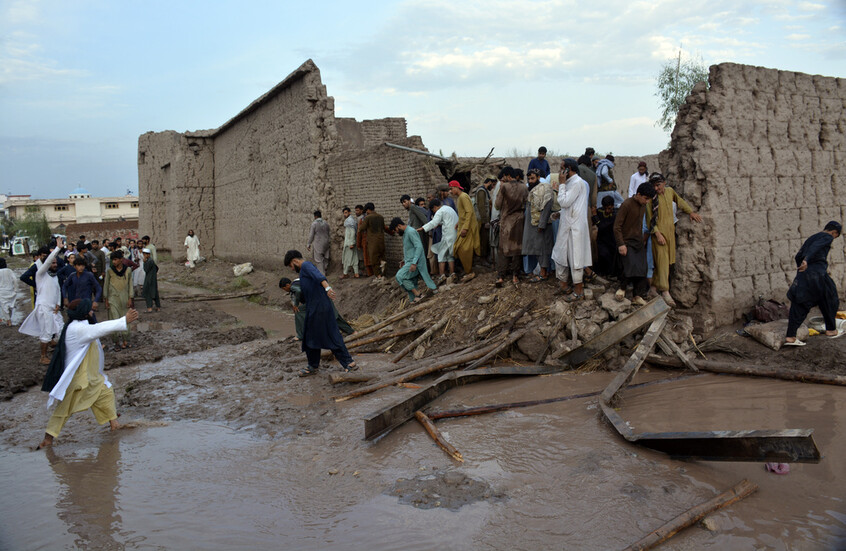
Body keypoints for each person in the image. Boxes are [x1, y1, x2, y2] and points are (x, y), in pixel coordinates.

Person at [36, 298, 139, 450]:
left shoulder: (79, 325)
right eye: (90, 309)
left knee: (106, 393)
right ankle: (48, 439)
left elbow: (95, 331)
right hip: (78, 378)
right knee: (64, 408)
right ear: (84, 313)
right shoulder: (77, 329)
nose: (93, 310)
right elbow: (99, 329)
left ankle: (114, 424)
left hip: (91, 376)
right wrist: (124, 320)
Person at [283, 250, 356, 376]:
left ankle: (349, 363)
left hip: (320, 308)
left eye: (290, 265)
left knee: (331, 335)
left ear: (295, 261)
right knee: (309, 337)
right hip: (314, 308)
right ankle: (313, 366)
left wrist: (327, 287)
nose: (291, 268)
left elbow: (318, 276)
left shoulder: (306, 266)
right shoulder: (303, 272)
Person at [646, 172, 702, 306]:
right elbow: (650, 220)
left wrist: (690, 212)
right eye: (654, 186)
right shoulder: (650, 199)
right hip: (659, 236)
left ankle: (653, 289)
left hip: (670, 234)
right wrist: (657, 234)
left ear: (664, 183)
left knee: (665, 263)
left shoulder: (670, 191)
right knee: (662, 262)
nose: (656, 189)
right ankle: (665, 291)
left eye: (658, 185)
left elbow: (680, 201)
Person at [784, 221, 843, 346]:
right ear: (834, 233)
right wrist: (806, 260)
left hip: (806, 275)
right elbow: (815, 247)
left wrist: (802, 266)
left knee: (804, 302)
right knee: (830, 298)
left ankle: (791, 336)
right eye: (835, 236)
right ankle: (831, 329)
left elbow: (798, 255)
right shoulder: (827, 237)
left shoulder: (812, 237)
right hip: (816, 275)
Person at [19, 237, 65, 364]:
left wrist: (58, 304)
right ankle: (43, 356)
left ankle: (52, 344)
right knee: (46, 332)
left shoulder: (54, 276)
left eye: (56, 263)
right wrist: (57, 249)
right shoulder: (41, 274)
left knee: (60, 329)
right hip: (44, 308)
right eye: (52, 263)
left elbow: (58, 291)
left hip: (53, 308)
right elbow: (47, 261)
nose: (55, 265)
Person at [551, 159, 591, 302]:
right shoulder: (570, 183)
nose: (560, 172)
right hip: (567, 226)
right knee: (559, 254)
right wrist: (560, 214)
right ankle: (564, 286)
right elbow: (569, 206)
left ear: (568, 169)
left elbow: (564, 202)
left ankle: (578, 292)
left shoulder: (577, 183)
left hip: (575, 229)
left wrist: (561, 184)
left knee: (576, 259)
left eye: (562, 168)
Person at [614, 183, 656, 305]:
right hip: (626, 242)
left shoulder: (643, 206)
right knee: (630, 266)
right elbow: (617, 227)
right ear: (638, 195)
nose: (647, 202)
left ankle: (637, 295)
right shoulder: (626, 205)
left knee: (642, 268)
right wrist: (621, 244)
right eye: (646, 198)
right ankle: (622, 288)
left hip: (638, 241)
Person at [279, 277, 354, 340]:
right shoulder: (298, 281)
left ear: (287, 285)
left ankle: (301, 335)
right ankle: (351, 331)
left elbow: (298, 291)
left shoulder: (293, 287)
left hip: (318, 299)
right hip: (321, 297)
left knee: (299, 311)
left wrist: (296, 304)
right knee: (333, 316)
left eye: (284, 288)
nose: (285, 290)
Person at [494, 166, 527, 287]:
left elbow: (497, 205)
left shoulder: (504, 187)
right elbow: (526, 202)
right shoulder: (524, 187)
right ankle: (515, 276)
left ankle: (501, 276)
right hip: (519, 220)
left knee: (503, 249)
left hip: (507, 221)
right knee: (517, 249)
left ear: (508, 176)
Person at [390, 217, 437, 303]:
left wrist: (414, 263)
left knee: (400, 276)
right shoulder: (405, 233)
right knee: (410, 280)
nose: (396, 232)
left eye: (396, 230)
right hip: (410, 261)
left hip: (415, 262)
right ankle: (416, 298)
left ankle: (418, 295)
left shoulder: (411, 231)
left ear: (399, 226)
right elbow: (410, 249)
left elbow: (419, 247)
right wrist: (404, 260)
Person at [522, 168, 555, 282]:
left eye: (533, 178)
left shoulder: (544, 189)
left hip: (541, 226)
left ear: (538, 178)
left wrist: (541, 224)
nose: (530, 181)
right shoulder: (532, 190)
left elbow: (547, 206)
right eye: (529, 179)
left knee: (543, 249)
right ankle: (542, 272)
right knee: (537, 249)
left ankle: (543, 273)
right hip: (533, 225)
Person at [420, 198, 459, 282]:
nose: (434, 212)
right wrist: (439, 224)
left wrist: (422, 228)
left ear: (434, 207)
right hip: (454, 234)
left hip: (447, 235)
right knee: (450, 255)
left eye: (433, 210)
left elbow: (433, 222)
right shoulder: (448, 208)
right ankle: (452, 273)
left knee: (441, 255)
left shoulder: (439, 211)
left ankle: (442, 275)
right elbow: (448, 220)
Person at [449, 180, 481, 277]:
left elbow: (469, 212)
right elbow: (463, 213)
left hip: (468, 227)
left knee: (463, 249)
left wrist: (465, 228)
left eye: (451, 189)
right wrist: (459, 223)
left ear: (456, 187)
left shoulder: (463, 197)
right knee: (460, 248)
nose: (450, 191)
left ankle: (469, 271)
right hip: (463, 225)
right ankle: (468, 269)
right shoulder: (460, 198)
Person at [103, 251, 134, 349]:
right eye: (113, 260)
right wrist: (106, 299)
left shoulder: (128, 270)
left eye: (116, 259)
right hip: (113, 298)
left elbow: (130, 285)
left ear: (121, 259)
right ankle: (116, 342)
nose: (114, 262)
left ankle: (126, 340)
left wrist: (130, 298)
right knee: (114, 319)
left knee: (126, 318)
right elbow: (106, 285)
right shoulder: (109, 271)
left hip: (124, 298)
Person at [62, 256, 103, 321]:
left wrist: (95, 301)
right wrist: (65, 298)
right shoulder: (72, 276)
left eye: (83, 265)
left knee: (91, 322)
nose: (81, 267)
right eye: (79, 265)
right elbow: (64, 286)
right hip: (76, 304)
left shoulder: (89, 275)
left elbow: (99, 288)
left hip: (87, 304)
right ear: (75, 266)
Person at [593, 195, 620, 278]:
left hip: (611, 239)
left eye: (609, 208)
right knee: (602, 255)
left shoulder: (615, 214)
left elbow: (601, 226)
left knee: (611, 257)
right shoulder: (600, 211)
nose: (607, 211)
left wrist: (594, 216)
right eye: (606, 208)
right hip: (601, 240)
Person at [362, 203, 388, 279]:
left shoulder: (368, 218)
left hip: (373, 242)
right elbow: (384, 227)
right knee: (382, 257)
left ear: (368, 210)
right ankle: (383, 273)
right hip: (381, 240)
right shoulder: (380, 217)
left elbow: (362, 228)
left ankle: (378, 276)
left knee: (374, 259)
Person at [473, 178, 495, 262]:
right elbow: (481, 207)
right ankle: (482, 259)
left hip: (483, 220)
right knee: (483, 240)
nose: (492, 187)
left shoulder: (484, 191)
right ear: (489, 182)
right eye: (492, 185)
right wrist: (485, 221)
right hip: (482, 221)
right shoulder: (481, 191)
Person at [402, 194, 430, 259]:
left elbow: (424, 219)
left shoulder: (413, 207)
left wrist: (426, 228)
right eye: (402, 203)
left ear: (409, 201)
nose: (403, 204)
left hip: (419, 234)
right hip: (415, 235)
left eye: (405, 201)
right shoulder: (410, 210)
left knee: (421, 254)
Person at [341, 207, 360, 279]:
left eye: (346, 212)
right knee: (354, 258)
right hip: (352, 242)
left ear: (349, 212)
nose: (344, 214)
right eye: (344, 213)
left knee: (346, 259)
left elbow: (352, 233)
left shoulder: (349, 221)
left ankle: (345, 273)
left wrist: (351, 243)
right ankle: (356, 273)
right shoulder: (352, 220)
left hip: (350, 243)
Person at [142, 248, 160, 312]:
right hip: (153, 279)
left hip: (149, 279)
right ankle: (158, 307)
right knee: (154, 293)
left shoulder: (149, 261)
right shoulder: (151, 261)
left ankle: (149, 308)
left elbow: (146, 269)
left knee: (148, 293)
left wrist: (144, 263)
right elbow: (156, 268)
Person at [0, 258, 16, 325]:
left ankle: (8, 320)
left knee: (4, 307)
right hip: (10, 291)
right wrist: (15, 289)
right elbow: (14, 280)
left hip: (1, 292)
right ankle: (9, 319)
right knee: (10, 306)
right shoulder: (9, 271)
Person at [354, 205, 370, 276]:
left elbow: (359, 232)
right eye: (355, 210)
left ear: (361, 210)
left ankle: (366, 272)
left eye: (357, 210)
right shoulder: (361, 218)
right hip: (365, 240)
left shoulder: (362, 219)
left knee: (363, 257)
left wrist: (358, 243)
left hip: (363, 240)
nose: (356, 212)